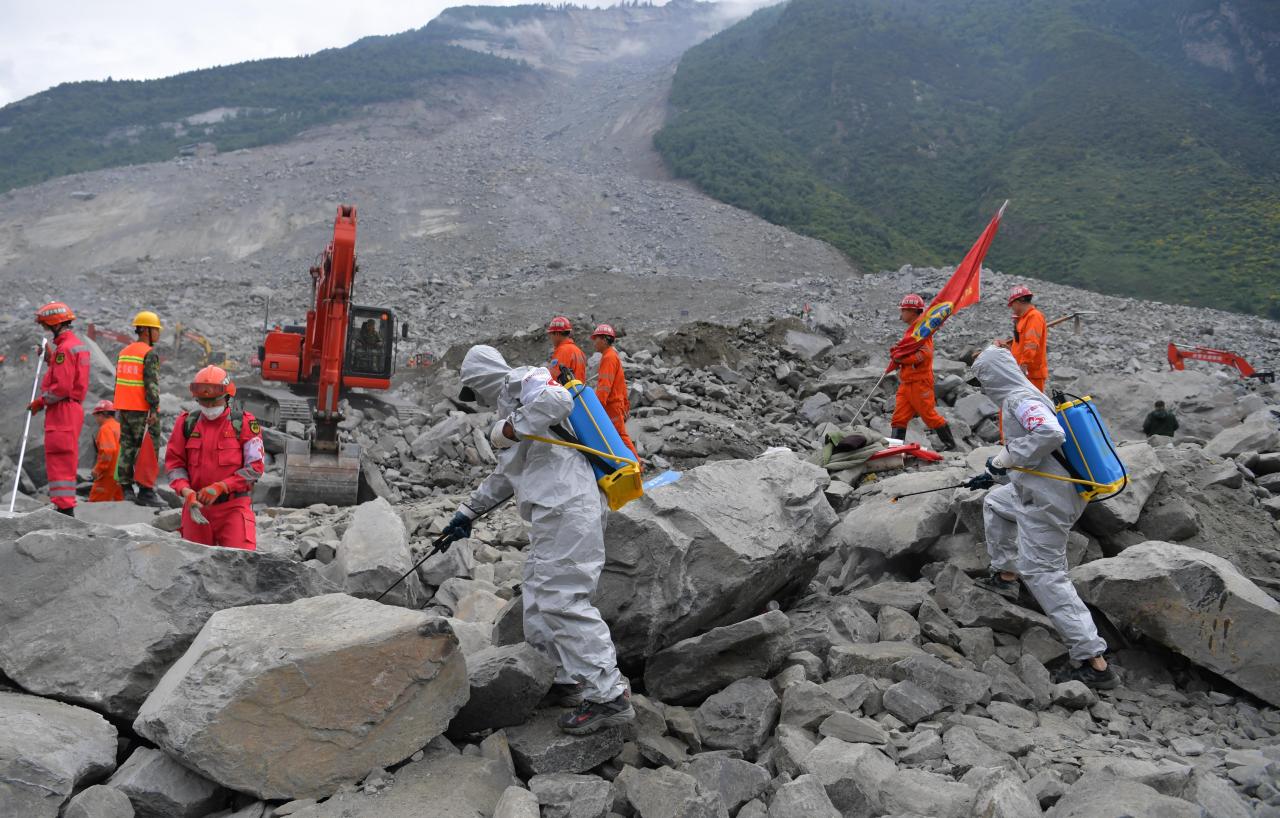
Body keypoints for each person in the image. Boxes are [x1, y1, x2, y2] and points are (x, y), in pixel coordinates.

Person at [446, 345, 633, 735]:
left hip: (568, 506)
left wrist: (511, 428)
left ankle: (609, 696)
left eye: (474, 391)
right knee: (537, 591)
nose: (475, 400)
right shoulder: (513, 403)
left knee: (562, 598)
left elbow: (559, 399)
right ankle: (561, 679)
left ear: (481, 378)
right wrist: (465, 514)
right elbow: (504, 477)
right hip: (555, 512)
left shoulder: (523, 379)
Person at [969, 345, 1117, 689]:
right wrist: (997, 474)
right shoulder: (1023, 395)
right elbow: (1040, 457)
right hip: (1036, 492)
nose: (982, 390)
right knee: (995, 502)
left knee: (1044, 573)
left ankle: (1093, 661)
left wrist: (1004, 458)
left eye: (982, 381)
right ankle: (1005, 576)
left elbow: (1050, 434)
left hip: (1048, 502)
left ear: (992, 376)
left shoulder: (1021, 400)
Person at [165, 365, 264, 550]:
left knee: (240, 564)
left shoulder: (244, 423)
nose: (209, 407)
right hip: (196, 509)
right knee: (193, 570)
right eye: (204, 401)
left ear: (227, 397)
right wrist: (186, 492)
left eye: (214, 401)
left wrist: (222, 486)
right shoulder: (186, 423)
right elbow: (174, 465)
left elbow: (255, 468)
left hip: (233, 508)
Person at [28, 302, 91, 515]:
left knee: (59, 457)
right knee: (65, 457)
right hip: (71, 410)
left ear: (55, 323)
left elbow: (62, 387)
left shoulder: (64, 349)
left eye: (46, 325)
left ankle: (64, 508)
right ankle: (64, 504)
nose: (46, 330)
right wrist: (50, 359)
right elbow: (67, 375)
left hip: (62, 411)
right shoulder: (73, 346)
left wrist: (41, 401)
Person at [890, 294, 957, 451]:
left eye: (904, 310)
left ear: (912, 311)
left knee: (929, 416)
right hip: (907, 382)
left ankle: (951, 446)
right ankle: (893, 450)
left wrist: (902, 358)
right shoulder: (913, 331)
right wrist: (898, 353)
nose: (901, 314)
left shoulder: (923, 330)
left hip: (920, 383)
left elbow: (925, 354)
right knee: (899, 417)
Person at [114, 310, 166, 507]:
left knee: (127, 447)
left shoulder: (124, 352)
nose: (158, 334)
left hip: (124, 407)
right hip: (142, 410)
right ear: (146, 330)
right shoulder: (149, 353)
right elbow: (151, 383)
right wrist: (154, 409)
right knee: (148, 448)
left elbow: (118, 380)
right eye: (156, 330)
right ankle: (145, 491)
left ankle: (126, 489)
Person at [589, 324, 638, 459]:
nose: (594, 342)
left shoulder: (608, 358)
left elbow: (605, 386)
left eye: (596, 338)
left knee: (620, 437)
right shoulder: (612, 355)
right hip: (616, 404)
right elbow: (619, 385)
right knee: (617, 437)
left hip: (612, 406)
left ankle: (637, 465)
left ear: (604, 339)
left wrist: (597, 407)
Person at [996, 285, 1049, 392]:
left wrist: (1024, 365)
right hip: (1021, 372)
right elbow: (1021, 345)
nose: (1012, 308)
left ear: (1019, 301)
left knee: (1029, 406)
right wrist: (1008, 348)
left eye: (1012, 305)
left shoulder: (1034, 317)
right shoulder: (1023, 319)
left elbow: (1031, 343)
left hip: (1031, 374)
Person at [89, 400, 124, 502]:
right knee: (120, 505)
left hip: (108, 474)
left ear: (101, 414)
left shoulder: (105, 428)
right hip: (121, 474)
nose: (96, 419)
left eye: (96, 416)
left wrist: (98, 469)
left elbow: (108, 452)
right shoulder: (119, 427)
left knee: (95, 504)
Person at [547, 316, 587, 384]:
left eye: (551, 334)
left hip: (567, 393)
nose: (550, 338)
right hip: (579, 392)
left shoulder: (562, 351)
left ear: (557, 333)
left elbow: (555, 379)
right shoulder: (578, 351)